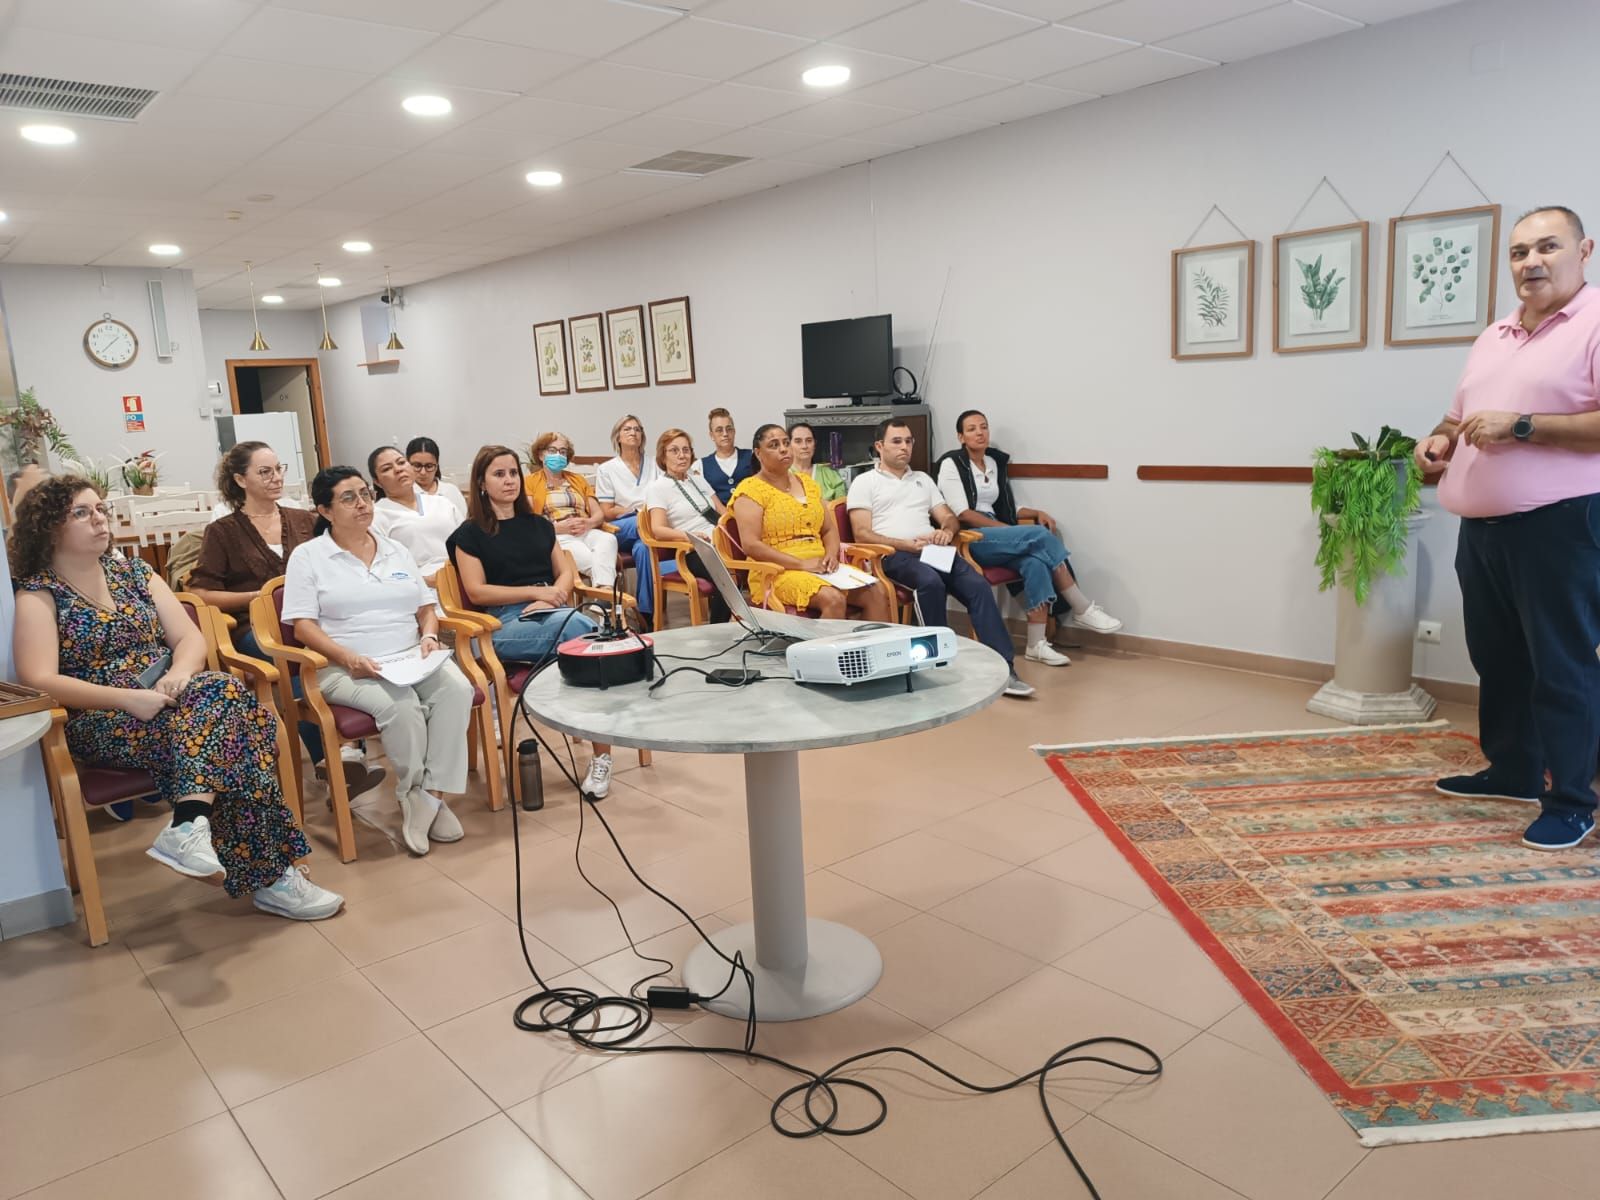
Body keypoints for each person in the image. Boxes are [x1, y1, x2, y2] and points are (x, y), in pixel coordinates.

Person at [10, 475, 342, 919]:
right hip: (104, 717)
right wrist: (128, 700)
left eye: (101, 509)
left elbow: (189, 638)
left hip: (174, 699)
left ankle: (190, 826)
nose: (99, 520)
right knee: (243, 720)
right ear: (49, 527)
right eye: (81, 513)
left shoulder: (134, 573)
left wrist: (180, 673)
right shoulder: (40, 592)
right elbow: (40, 678)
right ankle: (273, 876)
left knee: (222, 703)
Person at [1416, 204, 1600, 851]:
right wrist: (1437, 442)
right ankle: (1515, 769)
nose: (1531, 262)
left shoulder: (1594, 322)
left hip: (1562, 526)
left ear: (1585, 251)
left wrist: (1521, 426)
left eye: (1548, 247)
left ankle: (1573, 801)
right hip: (1484, 531)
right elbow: (1456, 415)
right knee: (1498, 659)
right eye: (1519, 253)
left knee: (1562, 665)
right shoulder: (1495, 333)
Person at [282, 466, 474, 856]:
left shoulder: (394, 548)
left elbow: (425, 609)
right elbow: (302, 626)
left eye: (365, 495)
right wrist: (347, 656)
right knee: (401, 707)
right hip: (343, 666)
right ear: (325, 510)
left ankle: (430, 796)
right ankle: (412, 794)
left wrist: (429, 636)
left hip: (410, 657)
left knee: (458, 689)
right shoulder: (309, 556)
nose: (362, 504)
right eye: (348, 498)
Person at [189, 441, 384, 805]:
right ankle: (336, 758)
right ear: (240, 479)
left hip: (311, 620)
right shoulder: (223, 531)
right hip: (258, 630)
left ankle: (349, 750)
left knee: (341, 645)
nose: (276, 477)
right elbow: (200, 593)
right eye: (265, 472)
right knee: (295, 660)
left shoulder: (305, 520)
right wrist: (259, 598)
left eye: (279, 469)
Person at [450, 445, 616, 798]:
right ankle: (604, 741)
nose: (509, 480)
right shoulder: (469, 534)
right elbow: (477, 591)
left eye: (513, 473)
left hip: (551, 613)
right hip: (500, 624)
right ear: (481, 483)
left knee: (584, 645)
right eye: (499, 474)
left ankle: (601, 758)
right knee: (590, 637)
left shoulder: (539, 525)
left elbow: (565, 572)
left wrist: (553, 593)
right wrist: (535, 593)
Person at [849, 418, 1034, 698]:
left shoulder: (922, 479)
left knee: (977, 585)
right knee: (930, 582)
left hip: (931, 550)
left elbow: (948, 516)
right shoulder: (865, 482)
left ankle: (1005, 669)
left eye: (908, 441)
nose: (904, 447)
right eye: (896, 441)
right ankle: (939, 664)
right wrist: (904, 544)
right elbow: (862, 533)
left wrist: (946, 531)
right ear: (879, 446)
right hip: (893, 554)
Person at [936, 409, 1123, 666]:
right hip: (971, 537)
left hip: (998, 531)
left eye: (984, 427)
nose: (979, 433)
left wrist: (1034, 512)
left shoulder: (993, 463)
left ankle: (1036, 644)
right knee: (1038, 536)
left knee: (1034, 561)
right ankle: (1082, 608)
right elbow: (963, 513)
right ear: (961, 437)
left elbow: (1005, 506)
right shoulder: (951, 464)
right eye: (971, 429)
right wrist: (1007, 530)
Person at [730, 424, 891, 622]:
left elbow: (828, 529)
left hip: (820, 565)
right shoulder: (750, 490)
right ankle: (828, 644)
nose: (783, 449)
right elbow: (751, 545)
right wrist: (802, 564)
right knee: (833, 599)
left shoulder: (807, 483)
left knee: (877, 591)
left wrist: (831, 555)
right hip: (777, 571)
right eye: (774, 445)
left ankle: (868, 643)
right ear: (758, 453)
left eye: (786, 443)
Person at [642, 428, 733, 625]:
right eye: (674, 450)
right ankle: (718, 632)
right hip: (693, 550)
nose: (682, 455)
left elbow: (722, 512)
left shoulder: (698, 479)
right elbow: (657, 529)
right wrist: (690, 536)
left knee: (754, 568)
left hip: (721, 542)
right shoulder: (658, 488)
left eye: (686, 450)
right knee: (728, 582)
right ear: (663, 456)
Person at [523, 431, 619, 590]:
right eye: (552, 450)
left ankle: (603, 596)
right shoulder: (530, 482)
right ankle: (606, 592)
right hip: (557, 535)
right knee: (594, 560)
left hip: (585, 530)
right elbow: (528, 519)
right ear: (540, 455)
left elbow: (598, 514)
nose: (558, 455)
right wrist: (555, 528)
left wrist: (589, 523)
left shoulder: (578, 480)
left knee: (609, 539)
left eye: (562, 451)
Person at [594, 414, 661, 618]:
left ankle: (646, 614)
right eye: (627, 429)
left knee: (644, 548)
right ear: (618, 437)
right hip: (621, 528)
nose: (633, 432)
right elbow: (607, 511)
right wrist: (634, 511)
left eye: (637, 429)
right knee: (642, 521)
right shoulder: (607, 469)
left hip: (649, 529)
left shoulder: (655, 464)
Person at [369, 445, 458, 586]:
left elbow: (469, 544)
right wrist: (424, 581)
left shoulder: (442, 503)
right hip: (417, 587)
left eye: (401, 462)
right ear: (377, 482)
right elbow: (381, 569)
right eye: (387, 469)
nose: (398, 469)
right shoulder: (376, 516)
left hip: (462, 578)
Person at [698, 408, 755, 503]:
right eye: (719, 430)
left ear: (734, 431)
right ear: (711, 435)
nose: (725, 434)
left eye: (729, 429)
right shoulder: (700, 465)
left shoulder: (753, 456)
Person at [406, 436, 467, 521]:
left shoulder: (451, 491)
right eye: (417, 466)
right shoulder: (403, 493)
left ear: (437, 466)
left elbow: (464, 522)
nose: (423, 472)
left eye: (429, 466)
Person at [787, 422, 847, 502]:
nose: (804, 446)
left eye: (809, 440)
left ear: (814, 444)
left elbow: (841, 506)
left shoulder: (830, 474)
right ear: (788, 445)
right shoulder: (782, 474)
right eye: (798, 441)